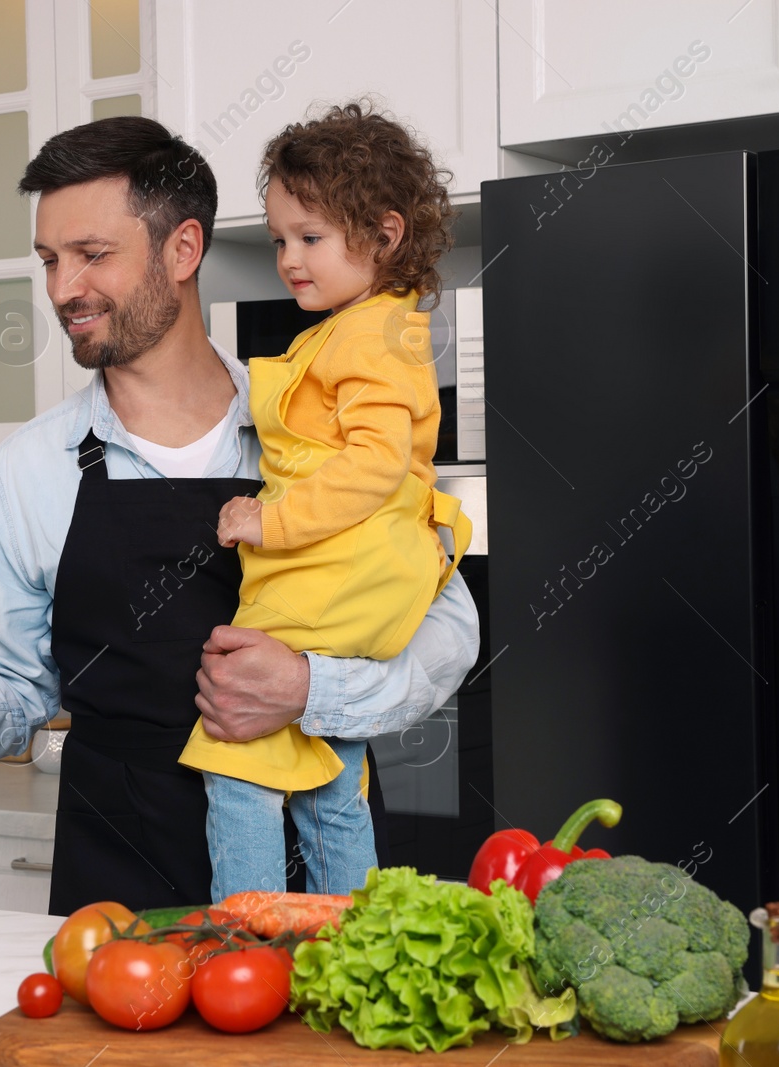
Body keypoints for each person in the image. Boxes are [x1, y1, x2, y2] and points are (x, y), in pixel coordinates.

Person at [0, 115, 480, 916]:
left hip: (313, 900)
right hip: (117, 897)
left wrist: (309, 688)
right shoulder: (30, 471)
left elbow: (447, 629)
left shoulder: (313, 428)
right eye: (51, 261)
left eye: (93, 255)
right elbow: (10, 701)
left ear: (183, 249)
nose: (63, 290)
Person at [181, 103, 472, 902]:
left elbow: (375, 466)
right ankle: (348, 937)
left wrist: (265, 519)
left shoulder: (369, 338)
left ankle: (242, 940)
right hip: (361, 577)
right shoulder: (365, 327)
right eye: (279, 239)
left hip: (337, 577)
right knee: (329, 777)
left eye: (310, 237)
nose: (288, 259)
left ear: (385, 233)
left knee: (237, 759)